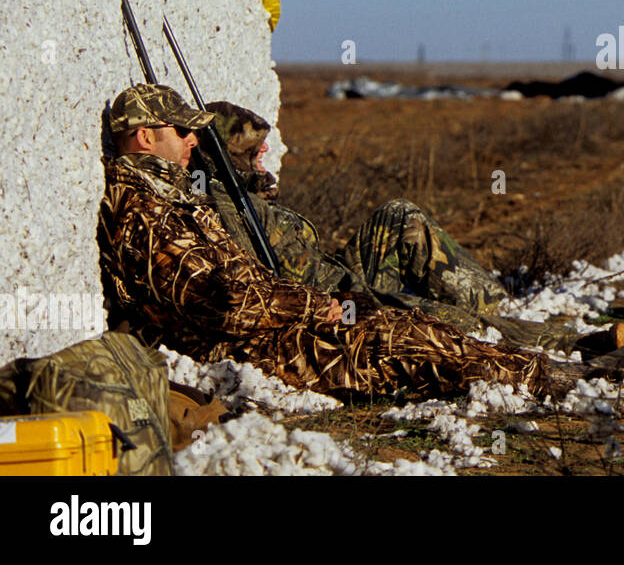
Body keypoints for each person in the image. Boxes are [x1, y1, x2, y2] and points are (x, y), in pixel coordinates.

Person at [97, 84, 565, 399]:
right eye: (181, 131)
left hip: (277, 327)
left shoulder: (173, 199)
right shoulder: (146, 214)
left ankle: (549, 373)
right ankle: (545, 377)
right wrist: (314, 306)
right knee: (405, 339)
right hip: (255, 347)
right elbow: (226, 300)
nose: (192, 142)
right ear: (143, 137)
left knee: (414, 332)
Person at [196, 100, 624, 357]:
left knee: (402, 217)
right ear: (225, 157)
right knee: (451, 321)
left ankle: (498, 309)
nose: (266, 151)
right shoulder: (221, 206)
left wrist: (254, 185)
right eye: (252, 148)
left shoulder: (244, 194)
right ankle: (572, 348)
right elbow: (261, 284)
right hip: (333, 301)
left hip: (339, 275)